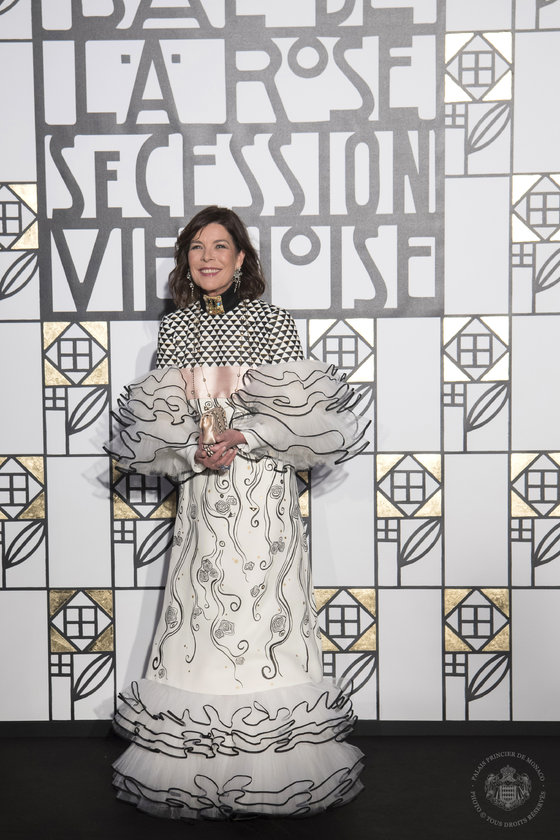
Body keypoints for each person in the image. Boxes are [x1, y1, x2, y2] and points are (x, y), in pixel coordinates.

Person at [108, 206, 368, 819]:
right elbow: (162, 423)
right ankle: (198, 766)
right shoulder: (176, 330)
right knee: (202, 608)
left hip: (262, 487)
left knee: (264, 609)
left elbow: (302, 416)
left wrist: (244, 436)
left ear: (242, 257)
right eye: (197, 246)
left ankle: (274, 764)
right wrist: (192, 449)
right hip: (203, 488)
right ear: (186, 259)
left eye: (220, 246)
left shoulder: (273, 322)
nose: (208, 257)